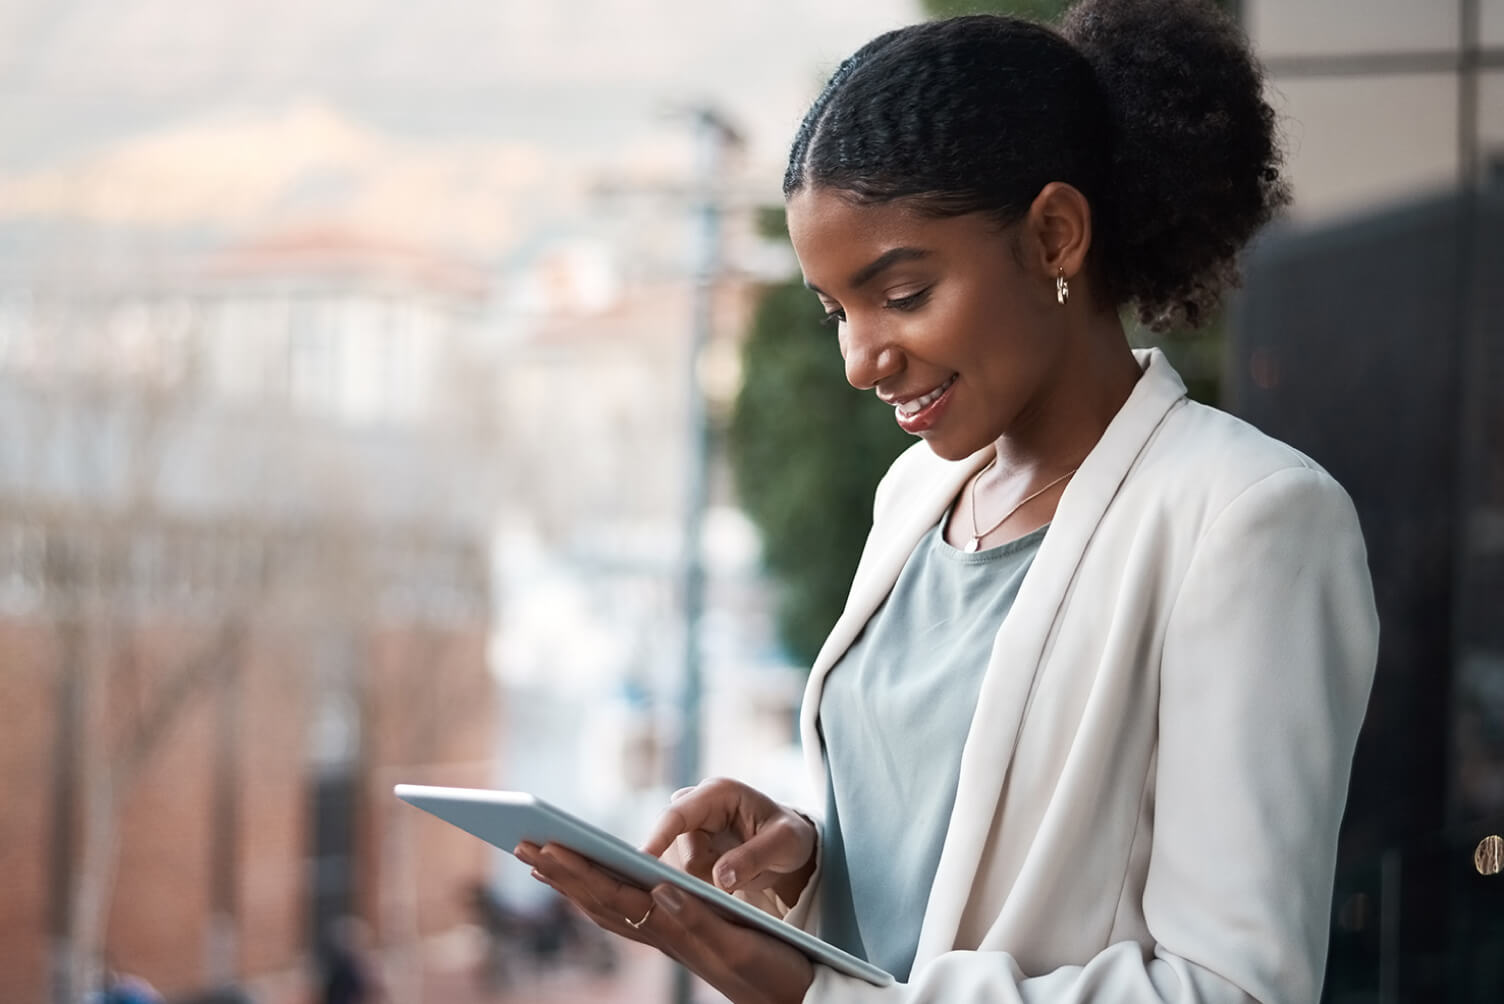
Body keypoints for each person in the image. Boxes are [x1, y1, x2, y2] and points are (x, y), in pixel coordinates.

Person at [518, 0, 1380, 1000]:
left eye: (902, 291)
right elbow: (958, 879)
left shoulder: (1247, 519)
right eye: (836, 307)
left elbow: (1235, 987)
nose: (856, 358)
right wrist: (808, 865)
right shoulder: (916, 495)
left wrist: (816, 992)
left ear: (1054, 235)